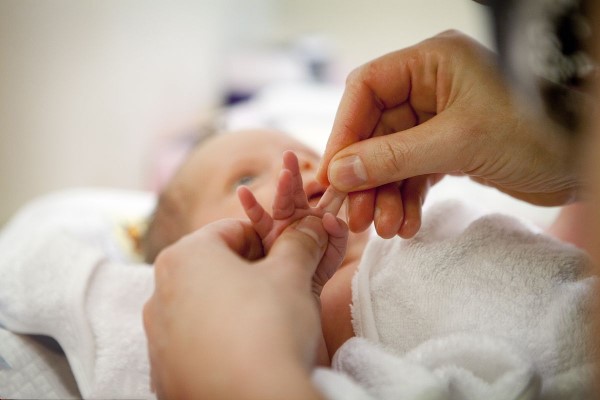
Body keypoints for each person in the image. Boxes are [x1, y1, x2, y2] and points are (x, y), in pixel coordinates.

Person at [144, 4, 600, 399]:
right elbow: (305, 363)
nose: (300, 166)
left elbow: (540, 266)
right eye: (246, 177)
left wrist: (574, 175)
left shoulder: (409, 226)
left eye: (305, 152)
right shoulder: (313, 303)